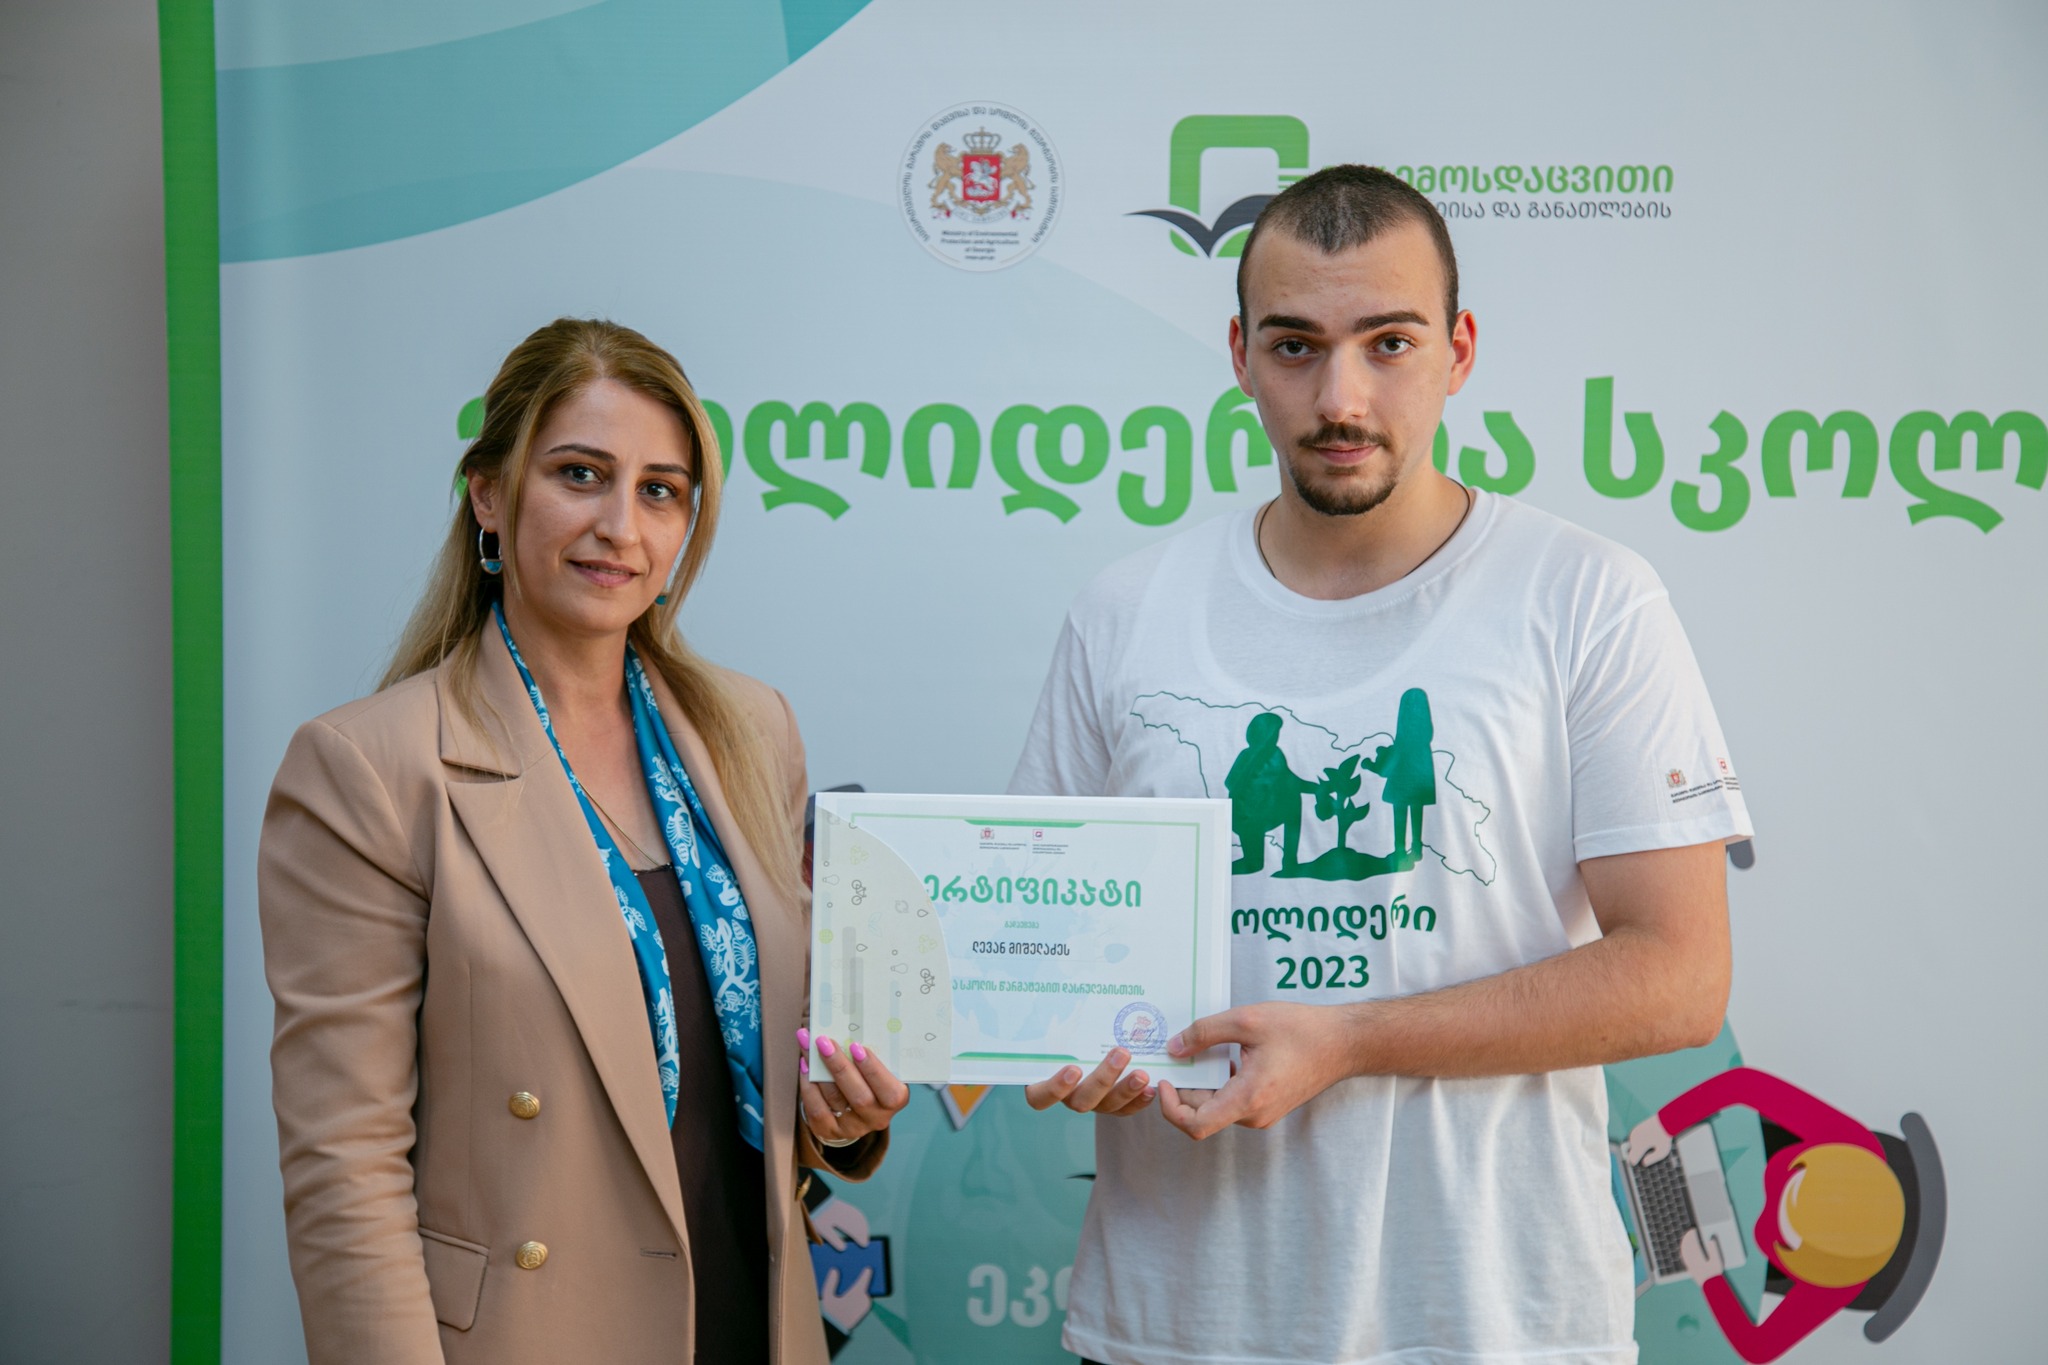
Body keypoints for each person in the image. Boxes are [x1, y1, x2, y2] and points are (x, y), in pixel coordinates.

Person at [1015, 166, 1749, 1365]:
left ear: (1457, 351)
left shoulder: (1586, 598)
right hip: (1175, 1326)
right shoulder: (1125, 611)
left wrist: (1350, 1039)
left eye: (1388, 343)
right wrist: (1061, 1043)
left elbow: (1677, 978)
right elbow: (1039, 951)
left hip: (1495, 1326)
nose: (1339, 397)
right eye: (1294, 347)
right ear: (1240, 355)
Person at [258, 318, 908, 1364]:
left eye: (660, 490)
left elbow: (757, 1065)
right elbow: (345, 1171)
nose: (620, 526)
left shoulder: (753, 730)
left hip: (752, 1318)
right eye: (579, 474)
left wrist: (838, 1110)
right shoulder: (369, 768)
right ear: (488, 493)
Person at [1628, 1069, 1907, 1363]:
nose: (1773, 1207)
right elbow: (1743, 1084)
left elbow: (1757, 1347)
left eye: (1788, 1232)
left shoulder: (1838, 1281)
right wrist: (1664, 1124)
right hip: (1708, 1159)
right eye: (1794, 1187)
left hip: (1706, 1243)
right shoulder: (1852, 1145)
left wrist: (1710, 1278)